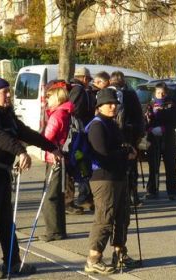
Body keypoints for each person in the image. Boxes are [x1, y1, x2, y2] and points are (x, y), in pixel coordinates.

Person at [0, 77, 62, 279]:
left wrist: (51, 148)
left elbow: (27, 133)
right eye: (5, 92)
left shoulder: (6, 115)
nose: (9, 95)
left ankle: (12, 262)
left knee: (6, 221)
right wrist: (21, 152)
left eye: (9, 91)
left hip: (3, 172)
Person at [85, 88, 139, 275]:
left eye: (115, 103)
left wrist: (128, 148)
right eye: (109, 103)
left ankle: (119, 253)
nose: (113, 106)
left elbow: (119, 146)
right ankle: (93, 258)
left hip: (118, 176)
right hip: (103, 178)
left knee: (122, 217)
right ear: (99, 106)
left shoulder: (111, 123)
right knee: (105, 218)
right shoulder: (97, 126)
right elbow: (103, 155)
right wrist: (126, 153)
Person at [40, 80, 73, 242]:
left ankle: (53, 231)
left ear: (57, 98)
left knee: (50, 196)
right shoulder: (66, 113)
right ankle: (59, 229)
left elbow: (46, 138)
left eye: (49, 97)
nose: (47, 100)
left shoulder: (57, 115)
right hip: (61, 157)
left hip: (54, 158)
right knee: (58, 196)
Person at [109, 71, 144, 205]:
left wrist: (138, 133)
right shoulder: (129, 94)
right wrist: (139, 133)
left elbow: (138, 116)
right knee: (128, 166)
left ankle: (129, 195)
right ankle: (130, 195)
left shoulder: (128, 94)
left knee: (128, 167)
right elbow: (139, 116)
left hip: (124, 135)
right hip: (125, 135)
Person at [67, 67, 96, 213]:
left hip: (79, 135)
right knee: (80, 163)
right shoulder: (78, 91)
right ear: (84, 78)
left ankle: (84, 197)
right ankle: (80, 198)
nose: (88, 82)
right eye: (88, 79)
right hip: (78, 135)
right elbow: (74, 111)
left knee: (81, 164)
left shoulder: (75, 89)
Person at [145, 82, 176, 200]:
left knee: (170, 166)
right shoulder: (150, 105)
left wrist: (163, 128)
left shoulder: (172, 105)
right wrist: (150, 129)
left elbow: (175, 121)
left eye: (163, 93)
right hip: (153, 139)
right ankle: (152, 191)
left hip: (168, 139)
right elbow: (144, 121)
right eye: (158, 93)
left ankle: (172, 191)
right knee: (153, 166)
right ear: (155, 93)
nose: (160, 95)